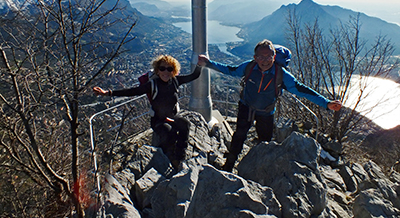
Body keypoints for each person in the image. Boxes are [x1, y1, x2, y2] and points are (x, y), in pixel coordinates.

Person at [198, 39, 342, 172]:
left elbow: (302, 89)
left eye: (268, 57)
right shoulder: (249, 67)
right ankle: (229, 164)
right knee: (239, 136)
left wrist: (326, 103)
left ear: (274, 57)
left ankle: (261, 170)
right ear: (255, 58)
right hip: (246, 107)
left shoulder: (282, 75)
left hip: (266, 113)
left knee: (265, 142)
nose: (265, 61)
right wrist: (208, 64)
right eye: (261, 57)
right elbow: (230, 70)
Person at [93, 55, 203, 169]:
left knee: (185, 124)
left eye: (169, 69)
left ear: (174, 71)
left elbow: (194, 76)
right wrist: (108, 93)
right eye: (162, 68)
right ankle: (166, 160)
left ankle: (180, 157)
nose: (166, 72)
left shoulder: (175, 81)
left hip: (172, 116)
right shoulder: (152, 84)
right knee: (168, 132)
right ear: (157, 70)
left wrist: (199, 64)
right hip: (158, 120)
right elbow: (132, 91)